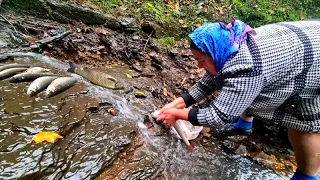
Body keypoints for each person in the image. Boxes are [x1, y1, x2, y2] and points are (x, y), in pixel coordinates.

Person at [152, 17, 320, 180]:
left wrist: (176, 114)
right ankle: (245, 123)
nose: (199, 66)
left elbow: (219, 117)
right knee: (244, 92)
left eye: (201, 60)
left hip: (313, 60)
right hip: (289, 45)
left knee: (304, 122)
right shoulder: (230, 44)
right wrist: (174, 105)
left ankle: (306, 175)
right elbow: (207, 83)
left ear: (214, 52)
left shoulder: (248, 67)